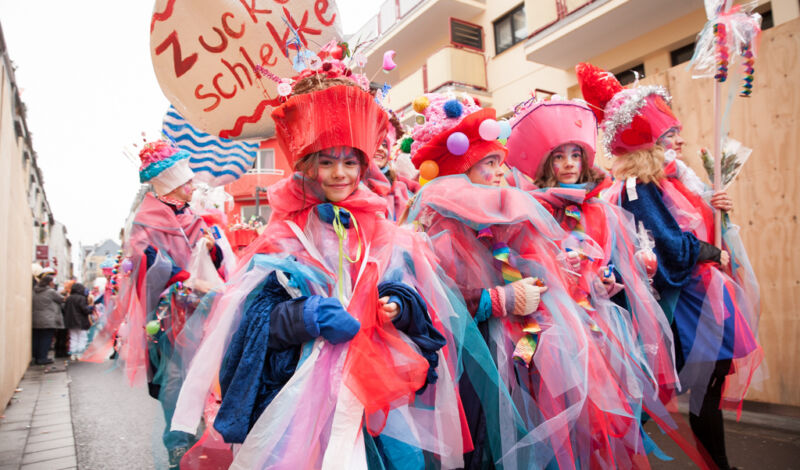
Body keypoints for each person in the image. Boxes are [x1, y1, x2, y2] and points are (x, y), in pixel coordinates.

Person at [169, 51, 507, 469]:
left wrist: (398, 306)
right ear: (308, 166)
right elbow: (250, 322)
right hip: (298, 395)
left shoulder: (384, 229)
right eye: (326, 162)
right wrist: (305, 315)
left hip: (374, 389)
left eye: (349, 162)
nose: (339, 174)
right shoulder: (282, 233)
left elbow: (413, 296)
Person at [404, 93, 649, 468]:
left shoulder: (503, 214)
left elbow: (540, 271)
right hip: (473, 365)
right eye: (489, 163)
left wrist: (560, 276)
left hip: (521, 357)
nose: (502, 172)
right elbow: (436, 302)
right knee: (484, 444)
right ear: (459, 171)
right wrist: (499, 299)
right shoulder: (436, 227)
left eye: (500, 161)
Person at [577, 62, 762, 470]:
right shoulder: (636, 188)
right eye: (669, 134)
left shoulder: (674, 181)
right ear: (647, 144)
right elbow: (671, 248)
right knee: (654, 394)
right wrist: (711, 254)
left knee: (702, 390)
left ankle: (719, 465)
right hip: (684, 306)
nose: (679, 140)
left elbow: (692, 234)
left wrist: (718, 211)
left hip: (701, 300)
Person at [83, 139, 225, 468]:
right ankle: (179, 446)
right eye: (187, 180)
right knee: (174, 377)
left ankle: (202, 437)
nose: (193, 185)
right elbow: (145, 263)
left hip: (202, 309)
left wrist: (211, 247)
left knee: (204, 374)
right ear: (172, 185)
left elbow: (215, 257)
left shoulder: (193, 215)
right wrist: (185, 279)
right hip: (168, 315)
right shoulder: (146, 221)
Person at [31, 275, 64, 365]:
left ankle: (36, 357)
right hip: (47, 319)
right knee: (46, 339)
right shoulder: (50, 291)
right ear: (49, 282)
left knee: (36, 339)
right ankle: (42, 358)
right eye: (52, 281)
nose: (54, 283)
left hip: (35, 318)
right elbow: (61, 299)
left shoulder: (34, 290)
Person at [63, 282, 93, 360]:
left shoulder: (69, 298)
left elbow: (64, 309)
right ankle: (80, 353)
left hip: (70, 321)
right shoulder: (82, 298)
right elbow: (85, 310)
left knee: (73, 338)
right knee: (82, 337)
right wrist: (90, 308)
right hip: (81, 321)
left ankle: (73, 354)